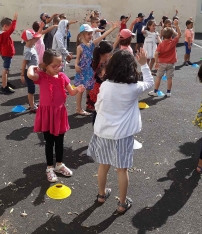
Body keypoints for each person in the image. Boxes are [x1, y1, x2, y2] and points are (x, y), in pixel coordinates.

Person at [87, 48, 154, 214]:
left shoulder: (106, 85)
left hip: (103, 131)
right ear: (131, 67)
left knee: (104, 165)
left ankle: (101, 195)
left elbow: (98, 105)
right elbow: (150, 83)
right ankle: (122, 203)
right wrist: (144, 65)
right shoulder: (133, 87)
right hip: (123, 135)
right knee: (122, 170)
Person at [27, 49, 85, 182]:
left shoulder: (63, 77)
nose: (58, 68)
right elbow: (30, 75)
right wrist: (32, 66)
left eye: (60, 65)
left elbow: (71, 92)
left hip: (59, 113)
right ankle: (49, 167)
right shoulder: (41, 76)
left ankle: (59, 164)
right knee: (49, 142)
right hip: (47, 114)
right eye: (55, 66)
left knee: (60, 141)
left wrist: (78, 89)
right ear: (45, 65)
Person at [74, 22, 119, 116]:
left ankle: (89, 105)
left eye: (91, 33)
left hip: (90, 71)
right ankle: (78, 108)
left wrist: (112, 28)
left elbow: (102, 37)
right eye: (88, 34)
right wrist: (76, 65)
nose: (90, 35)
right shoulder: (80, 47)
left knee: (90, 89)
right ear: (82, 34)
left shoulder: (92, 44)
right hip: (83, 72)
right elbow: (77, 59)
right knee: (80, 90)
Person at [148, 19, 181, 97]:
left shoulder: (161, 45)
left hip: (162, 63)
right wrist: (176, 25)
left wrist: (156, 62)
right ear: (171, 35)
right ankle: (168, 92)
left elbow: (156, 53)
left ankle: (155, 91)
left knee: (159, 77)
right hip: (171, 63)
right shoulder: (173, 42)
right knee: (169, 78)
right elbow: (179, 35)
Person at [86, 41, 113, 123]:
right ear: (106, 54)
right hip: (100, 90)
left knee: (97, 111)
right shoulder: (103, 66)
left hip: (95, 88)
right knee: (99, 111)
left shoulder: (95, 61)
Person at [20, 29, 41, 113]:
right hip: (29, 73)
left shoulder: (32, 46)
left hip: (34, 71)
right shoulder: (28, 51)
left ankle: (32, 104)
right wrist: (22, 75)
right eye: (34, 38)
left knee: (34, 87)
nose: (36, 40)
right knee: (31, 89)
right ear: (29, 39)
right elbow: (24, 63)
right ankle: (32, 106)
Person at [0, 12, 18, 94]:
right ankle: (4, 86)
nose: (11, 29)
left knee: (7, 70)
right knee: (5, 70)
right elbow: (12, 29)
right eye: (9, 26)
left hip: (7, 54)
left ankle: (5, 82)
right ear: (5, 26)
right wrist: (15, 20)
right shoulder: (4, 34)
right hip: (7, 55)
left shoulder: (4, 34)